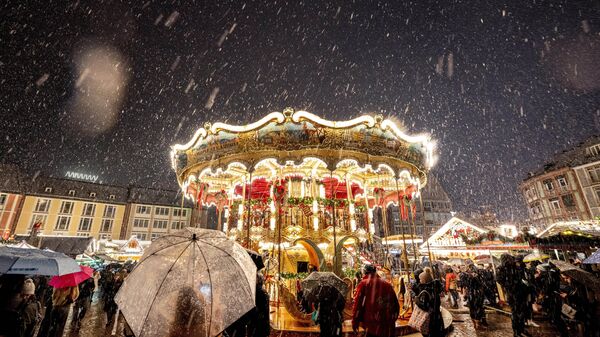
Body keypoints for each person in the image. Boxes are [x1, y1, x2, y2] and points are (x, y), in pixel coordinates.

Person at [352, 264, 400, 337]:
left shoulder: (364, 284)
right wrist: (392, 319)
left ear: (364, 272)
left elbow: (358, 305)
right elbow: (395, 304)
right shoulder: (387, 284)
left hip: (372, 326)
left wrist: (355, 322)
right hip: (387, 325)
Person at [415, 270, 445, 337]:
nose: (419, 281)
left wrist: (416, 300)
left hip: (430, 319)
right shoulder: (434, 288)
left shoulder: (426, 291)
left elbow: (424, 306)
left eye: (420, 279)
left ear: (424, 280)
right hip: (437, 316)